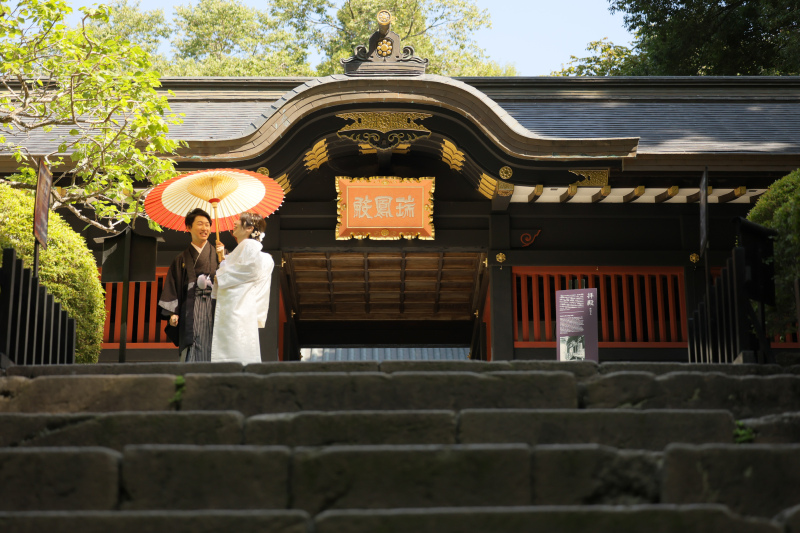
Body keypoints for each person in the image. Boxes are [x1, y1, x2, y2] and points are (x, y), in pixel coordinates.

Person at [210, 212, 274, 363]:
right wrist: (224, 259)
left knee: (233, 346)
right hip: (239, 306)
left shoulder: (249, 245)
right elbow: (240, 270)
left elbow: (250, 269)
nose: (235, 222)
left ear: (250, 228)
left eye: (239, 220)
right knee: (237, 347)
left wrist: (221, 276)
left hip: (238, 306)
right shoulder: (245, 247)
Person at [158, 208, 220, 362]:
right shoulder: (180, 259)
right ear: (188, 228)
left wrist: (224, 260)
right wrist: (173, 312)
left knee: (215, 348)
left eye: (207, 225)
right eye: (200, 224)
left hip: (215, 307)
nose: (205, 228)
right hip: (190, 310)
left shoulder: (219, 255)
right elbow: (172, 286)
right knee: (192, 347)